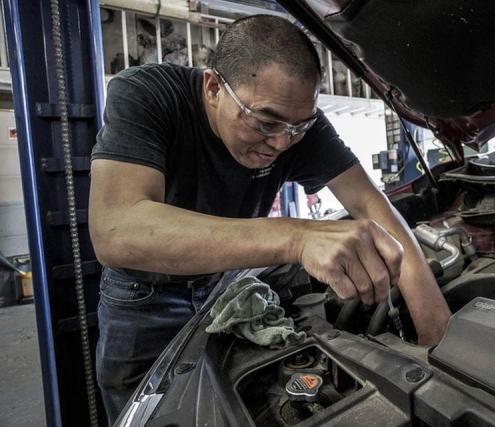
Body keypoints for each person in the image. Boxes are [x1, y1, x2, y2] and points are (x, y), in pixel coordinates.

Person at [88, 14, 451, 423]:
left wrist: (434, 329)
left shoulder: (296, 125)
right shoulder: (148, 94)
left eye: (299, 127)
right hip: (144, 298)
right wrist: (297, 238)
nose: (281, 143)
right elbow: (116, 230)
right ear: (212, 88)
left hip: (227, 286)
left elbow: (372, 205)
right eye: (265, 123)